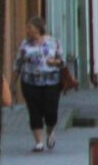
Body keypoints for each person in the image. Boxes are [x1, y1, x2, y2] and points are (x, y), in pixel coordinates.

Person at [12, 15, 64, 152]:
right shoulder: (25, 45)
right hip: (30, 82)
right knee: (34, 111)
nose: (27, 30)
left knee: (51, 112)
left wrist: (54, 62)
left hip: (51, 82)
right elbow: (17, 65)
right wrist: (12, 84)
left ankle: (50, 131)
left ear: (38, 28)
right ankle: (39, 143)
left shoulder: (53, 42)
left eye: (30, 27)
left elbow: (62, 61)